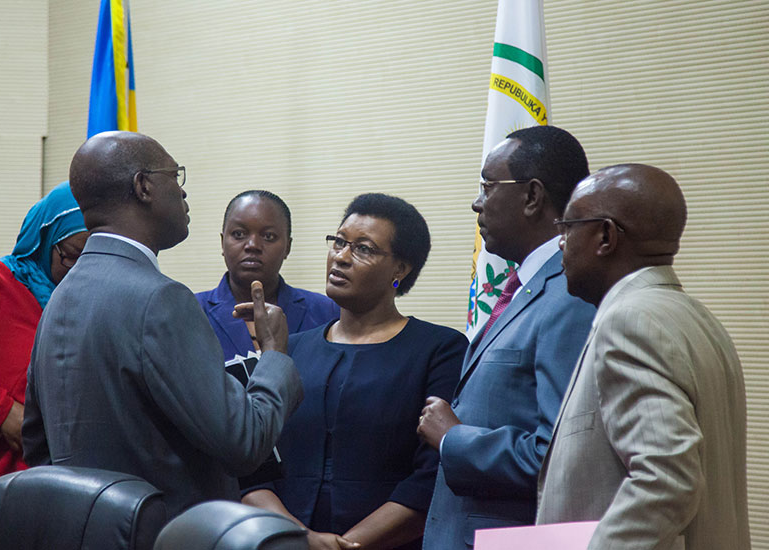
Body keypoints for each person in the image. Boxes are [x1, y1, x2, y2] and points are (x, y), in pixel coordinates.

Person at [22, 131, 304, 518]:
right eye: (176, 176)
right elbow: (244, 443)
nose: (184, 194)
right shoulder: (161, 299)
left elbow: (38, 447)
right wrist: (273, 356)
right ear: (144, 186)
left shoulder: (60, 298)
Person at [536, 164, 751, 549]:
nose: (560, 242)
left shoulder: (629, 321)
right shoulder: (697, 317)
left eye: (568, 227)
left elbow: (666, 480)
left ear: (605, 236)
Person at [242, 193, 467, 550]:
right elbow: (252, 462)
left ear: (400, 269)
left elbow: (434, 475)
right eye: (339, 242)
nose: (341, 257)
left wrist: (346, 546)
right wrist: (301, 539)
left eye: (363, 248)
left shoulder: (439, 349)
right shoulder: (292, 348)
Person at [417, 125, 597, 549]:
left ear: (532, 196)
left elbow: (557, 455)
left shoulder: (570, 298)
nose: (476, 202)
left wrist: (453, 439)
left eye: (487, 185)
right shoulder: (524, 287)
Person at [0, 182, 88, 550]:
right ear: (45, 237)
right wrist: (2, 413)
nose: (77, 271)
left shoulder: (90, 303)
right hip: (0, 493)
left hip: (74, 493)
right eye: (71, 255)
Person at [196, 190, 339, 359]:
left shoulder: (326, 312)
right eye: (239, 234)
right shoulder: (191, 311)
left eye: (268, 236)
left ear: (288, 247)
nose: (252, 245)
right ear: (222, 243)